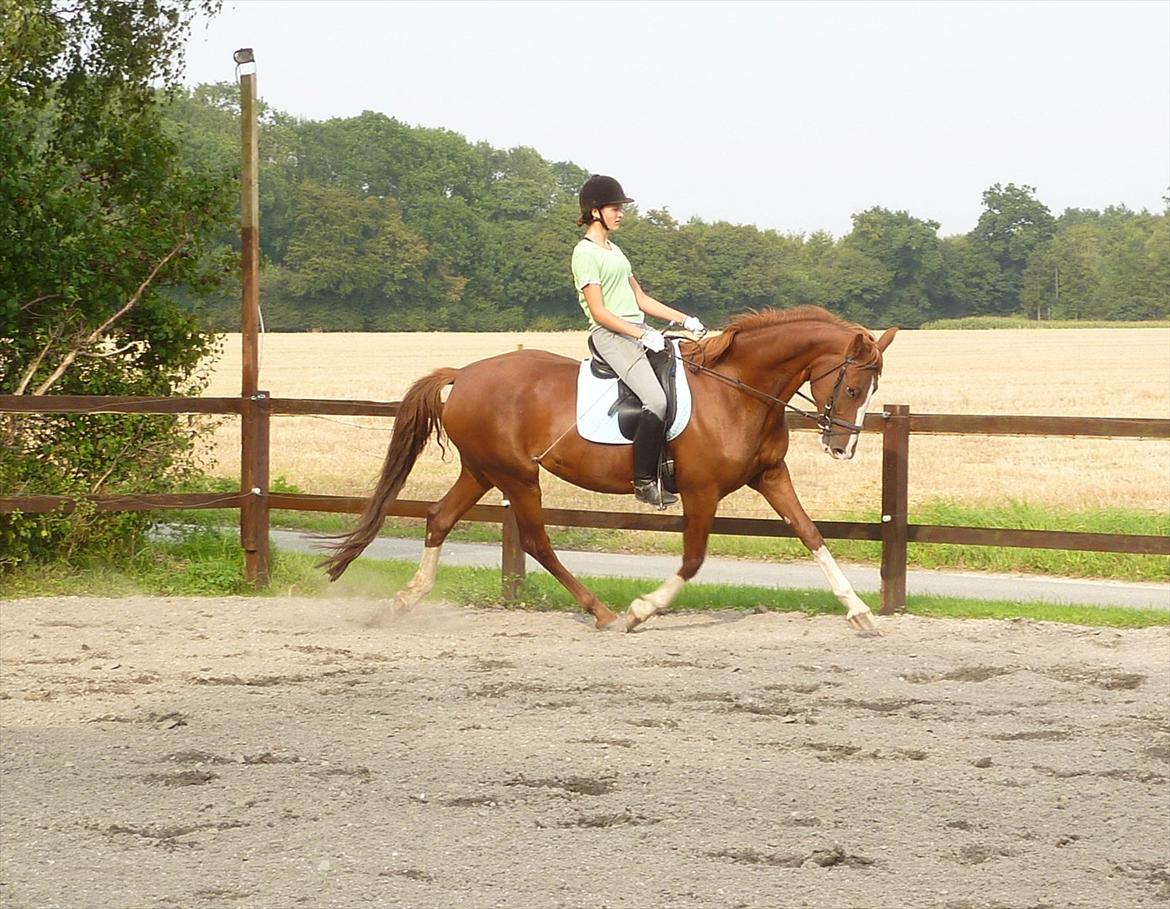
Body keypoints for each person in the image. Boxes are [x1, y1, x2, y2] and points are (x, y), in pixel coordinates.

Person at [571, 175, 705, 508]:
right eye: (614, 208)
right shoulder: (585, 253)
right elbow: (600, 312)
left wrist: (684, 319)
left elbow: (640, 299)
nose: (621, 214)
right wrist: (641, 334)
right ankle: (644, 481)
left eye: (621, 208)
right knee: (656, 401)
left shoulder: (615, 251)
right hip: (611, 336)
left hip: (635, 330)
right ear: (595, 211)